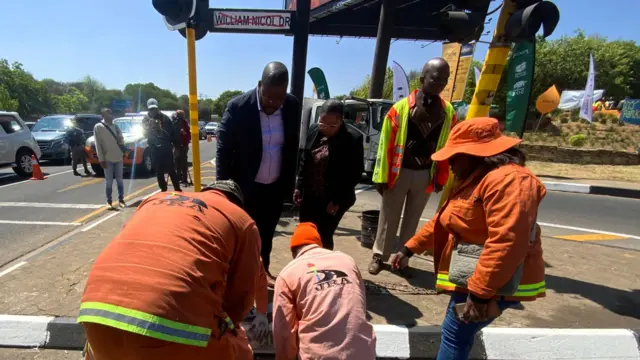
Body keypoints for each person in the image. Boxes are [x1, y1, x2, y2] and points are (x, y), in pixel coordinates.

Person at [390, 117, 546, 360]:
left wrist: (480, 293)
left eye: (454, 157)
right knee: (457, 334)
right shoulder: (476, 179)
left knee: (455, 333)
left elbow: (507, 240)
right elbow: (445, 221)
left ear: (477, 154)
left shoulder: (510, 181)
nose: (449, 164)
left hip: (494, 281)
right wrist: (409, 249)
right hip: (477, 277)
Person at [78, 180, 269, 360]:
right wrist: (239, 322)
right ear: (238, 204)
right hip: (168, 325)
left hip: (95, 316)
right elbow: (238, 303)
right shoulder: (240, 220)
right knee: (239, 348)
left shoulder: (155, 200)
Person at [369, 57, 457, 275]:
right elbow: (385, 144)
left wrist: (441, 176)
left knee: (412, 220)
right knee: (389, 216)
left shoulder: (448, 113)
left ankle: (403, 260)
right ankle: (379, 256)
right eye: (435, 79)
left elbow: (449, 143)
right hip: (399, 172)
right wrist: (381, 176)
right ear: (422, 78)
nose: (440, 84)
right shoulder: (400, 109)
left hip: (426, 174)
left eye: (444, 81)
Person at [216, 61, 301, 285]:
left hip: (273, 187)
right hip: (244, 187)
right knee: (240, 236)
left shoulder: (292, 106)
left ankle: (262, 273)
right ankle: (236, 280)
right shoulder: (238, 107)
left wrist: (291, 185)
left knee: (266, 233)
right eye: (268, 97)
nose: (273, 103)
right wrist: (222, 190)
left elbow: (292, 147)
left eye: (279, 98)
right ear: (259, 85)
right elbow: (223, 150)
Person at [272, 223, 376, 360]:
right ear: (319, 245)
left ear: (293, 252)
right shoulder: (347, 261)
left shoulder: (288, 274)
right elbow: (360, 306)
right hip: (363, 352)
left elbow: (284, 332)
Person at [294, 100, 364, 250]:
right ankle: (306, 266)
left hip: (333, 199)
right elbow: (304, 158)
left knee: (324, 235)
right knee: (306, 233)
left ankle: (324, 266)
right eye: (322, 123)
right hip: (310, 195)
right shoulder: (314, 130)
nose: (326, 128)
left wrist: (337, 200)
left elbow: (354, 174)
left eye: (332, 126)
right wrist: (299, 185)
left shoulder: (352, 138)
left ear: (341, 121)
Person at [143, 98, 182, 192]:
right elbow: (144, 134)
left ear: (157, 108)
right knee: (158, 170)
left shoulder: (165, 118)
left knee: (171, 169)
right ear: (148, 109)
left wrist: (177, 147)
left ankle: (177, 188)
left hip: (166, 147)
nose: (153, 111)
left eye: (154, 109)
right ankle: (163, 189)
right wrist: (149, 127)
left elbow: (173, 134)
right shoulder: (145, 120)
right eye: (151, 109)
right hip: (154, 148)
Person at [94, 108, 125, 209]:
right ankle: (109, 201)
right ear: (103, 116)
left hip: (118, 157)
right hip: (107, 159)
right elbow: (97, 144)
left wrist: (121, 139)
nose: (111, 116)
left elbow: (121, 140)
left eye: (111, 114)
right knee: (109, 181)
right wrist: (101, 159)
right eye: (108, 114)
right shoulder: (98, 127)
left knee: (120, 180)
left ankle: (121, 200)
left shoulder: (115, 126)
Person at [172, 109, 191, 186]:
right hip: (176, 145)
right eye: (178, 115)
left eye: (180, 115)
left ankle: (184, 178)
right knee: (177, 162)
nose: (178, 117)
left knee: (183, 162)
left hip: (183, 145)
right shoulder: (174, 123)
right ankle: (179, 177)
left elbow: (188, 135)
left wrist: (184, 133)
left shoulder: (184, 123)